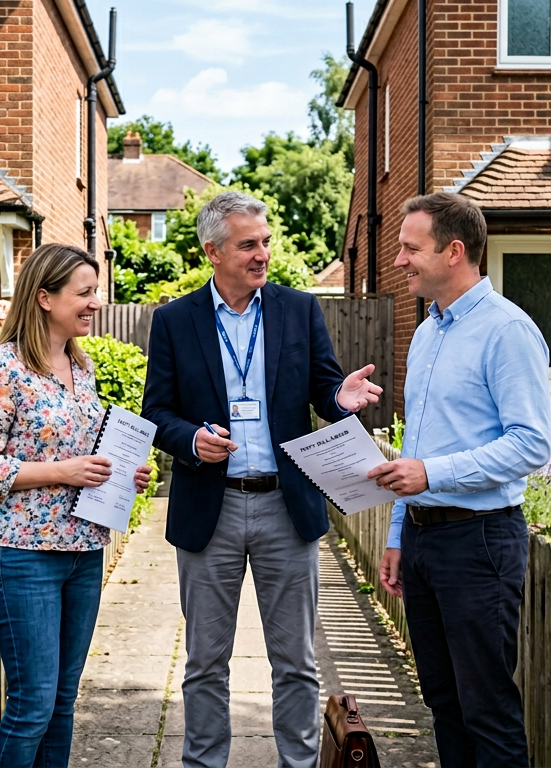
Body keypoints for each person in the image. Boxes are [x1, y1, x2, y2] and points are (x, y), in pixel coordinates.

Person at [141, 191, 383, 768]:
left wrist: (340, 398)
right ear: (213, 252)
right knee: (204, 661)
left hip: (285, 507)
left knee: (296, 660)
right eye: (249, 244)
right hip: (210, 507)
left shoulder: (298, 310)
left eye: (266, 241)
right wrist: (190, 440)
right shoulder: (175, 321)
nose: (263, 254)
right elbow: (157, 412)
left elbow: (324, 387)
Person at [367, 193, 551, 768]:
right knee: (443, 702)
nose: (399, 260)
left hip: (480, 544)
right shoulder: (428, 333)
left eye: (409, 247)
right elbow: (418, 445)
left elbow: (531, 444)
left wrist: (432, 474)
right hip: (423, 542)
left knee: (486, 709)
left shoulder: (507, 331)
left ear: (454, 251)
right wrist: (399, 534)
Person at [0, 243, 153, 768]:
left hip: (84, 550)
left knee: (63, 705)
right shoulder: (1, 368)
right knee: (32, 706)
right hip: (22, 554)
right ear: (44, 297)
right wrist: (62, 472)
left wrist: (123, 471)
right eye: (83, 293)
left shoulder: (80, 366)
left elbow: (86, 452)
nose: (95, 303)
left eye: (96, 292)